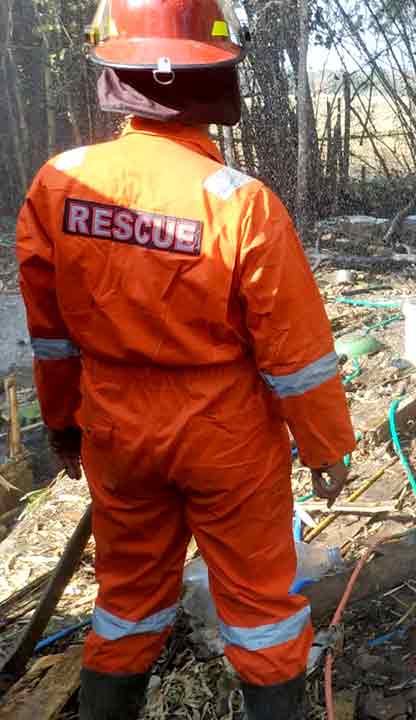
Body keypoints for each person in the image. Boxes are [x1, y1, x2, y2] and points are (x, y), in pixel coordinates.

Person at [15, 1, 355, 717]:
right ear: (218, 79)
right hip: (224, 436)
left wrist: (64, 427)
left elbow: (50, 337)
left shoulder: (59, 184)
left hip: (114, 429)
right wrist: (327, 447)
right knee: (261, 604)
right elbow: (296, 352)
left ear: (113, 70)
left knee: (128, 601)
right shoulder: (240, 202)